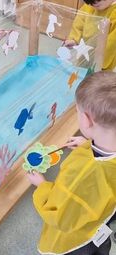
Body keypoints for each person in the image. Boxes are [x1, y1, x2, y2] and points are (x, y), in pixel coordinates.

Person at [27, 71, 116, 255]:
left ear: (86, 119)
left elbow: (59, 215)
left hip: (76, 244)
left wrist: (42, 186)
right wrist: (88, 144)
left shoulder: (84, 174)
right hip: (101, 228)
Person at [64, 0, 116, 70]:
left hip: (103, 57)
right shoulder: (89, 7)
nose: (94, 4)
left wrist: (100, 59)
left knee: (98, 78)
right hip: (85, 49)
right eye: (90, 2)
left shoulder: (114, 12)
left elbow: (112, 43)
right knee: (81, 72)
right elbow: (79, 23)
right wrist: (74, 39)